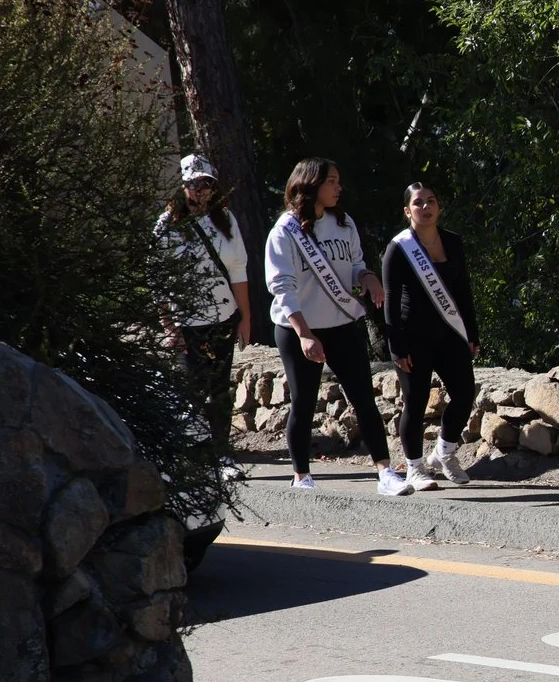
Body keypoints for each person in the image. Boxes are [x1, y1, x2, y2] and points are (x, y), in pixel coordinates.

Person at [263, 159, 398, 494]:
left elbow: (354, 265)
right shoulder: (285, 231)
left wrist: (367, 278)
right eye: (332, 181)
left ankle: (385, 472)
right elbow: (282, 287)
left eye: (339, 181)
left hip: (342, 324)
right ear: (311, 185)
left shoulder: (343, 221)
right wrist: (305, 334)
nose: (339, 188)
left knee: (364, 398)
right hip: (300, 329)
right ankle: (302, 475)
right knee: (304, 401)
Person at [382, 183, 480, 492]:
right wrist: (396, 345)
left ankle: (444, 453)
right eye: (419, 203)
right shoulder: (398, 248)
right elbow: (390, 301)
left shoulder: (452, 242)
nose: (426, 207)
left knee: (465, 394)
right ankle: (414, 467)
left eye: (431, 201)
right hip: (413, 337)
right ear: (407, 210)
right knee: (417, 401)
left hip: (450, 334)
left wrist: (472, 332)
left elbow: (463, 291)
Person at [155, 153, 252, 456]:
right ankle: (191, 455)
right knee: (190, 391)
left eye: (207, 184)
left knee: (220, 389)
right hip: (187, 322)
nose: (201, 191)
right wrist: (169, 326)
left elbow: (238, 269)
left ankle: (222, 451)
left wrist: (245, 317)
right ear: (183, 186)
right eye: (195, 185)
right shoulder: (166, 225)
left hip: (223, 315)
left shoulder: (225, 219)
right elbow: (157, 279)